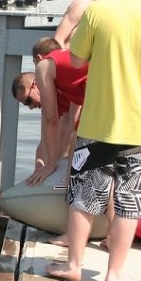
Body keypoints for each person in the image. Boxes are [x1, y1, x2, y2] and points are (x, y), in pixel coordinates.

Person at [46, 0, 141, 281]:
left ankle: (74, 265)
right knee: (130, 204)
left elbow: (75, 61)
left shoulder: (99, 12)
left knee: (83, 198)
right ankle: (114, 273)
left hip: (97, 126)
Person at [19, 37, 89, 186]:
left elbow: (51, 120)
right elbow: (57, 130)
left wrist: (51, 165)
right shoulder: (67, 76)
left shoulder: (44, 66)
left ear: (38, 58)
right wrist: (45, 162)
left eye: (27, 101)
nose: (30, 107)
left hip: (101, 103)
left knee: (75, 161)